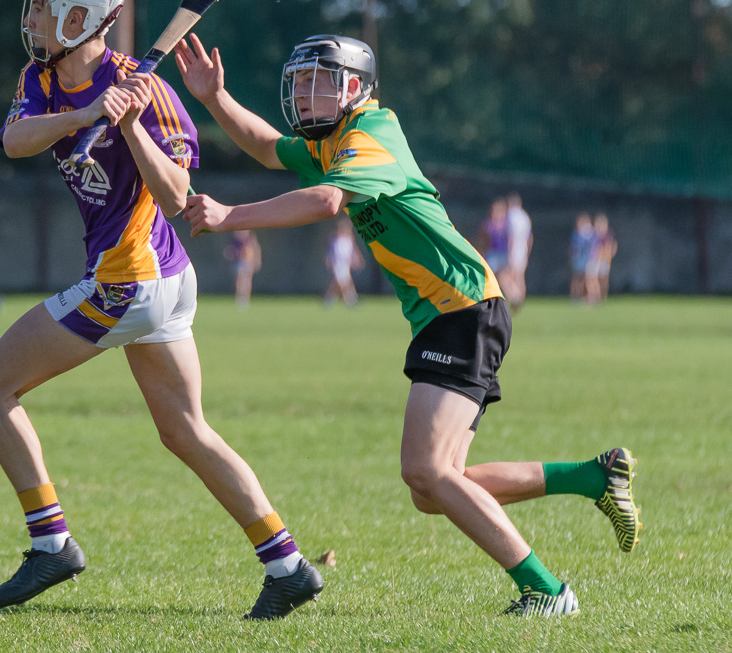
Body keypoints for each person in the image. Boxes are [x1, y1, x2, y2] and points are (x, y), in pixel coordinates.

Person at [175, 32, 641, 618]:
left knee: (425, 470)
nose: (304, 95)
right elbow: (269, 148)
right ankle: (592, 479)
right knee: (433, 488)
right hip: (449, 316)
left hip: (462, 312)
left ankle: (548, 591)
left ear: (355, 88)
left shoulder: (370, 134)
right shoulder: (333, 140)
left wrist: (229, 216)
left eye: (318, 82)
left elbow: (323, 202)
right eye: (300, 84)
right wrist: (216, 98)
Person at [0, 0, 322, 620]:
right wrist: (86, 112)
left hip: (132, 278)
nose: (32, 20)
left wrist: (128, 127)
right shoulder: (40, 78)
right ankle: (288, 566)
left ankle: (52, 544)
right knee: (186, 431)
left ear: (78, 19)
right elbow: (14, 141)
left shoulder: (147, 91)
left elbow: (180, 197)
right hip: (148, 280)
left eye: (43, 9)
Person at [324, 218, 362, 308]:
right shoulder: (334, 238)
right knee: (342, 282)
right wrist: (329, 260)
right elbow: (331, 251)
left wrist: (356, 260)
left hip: (346, 264)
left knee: (342, 282)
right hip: (338, 263)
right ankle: (350, 299)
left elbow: (352, 251)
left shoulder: (349, 239)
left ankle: (330, 299)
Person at [504, 194, 533, 313]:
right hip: (523, 249)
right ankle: (520, 298)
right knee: (520, 276)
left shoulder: (511, 215)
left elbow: (511, 236)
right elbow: (529, 237)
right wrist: (527, 252)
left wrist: (509, 251)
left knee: (509, 275)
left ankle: (515, 298)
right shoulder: (525, 216)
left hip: (514, 249)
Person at [479, 198, 510, 296]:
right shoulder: (488, 224)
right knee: (494, 278)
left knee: (498, 278)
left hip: (501, 255)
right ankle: (513, 297)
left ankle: (514, 296)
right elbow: (483, 241)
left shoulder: (506, 225)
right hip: (492, 254)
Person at [224, 230, 261, 310]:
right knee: (239, 281)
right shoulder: (235, 241)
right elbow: (230, 251)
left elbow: (256, 251)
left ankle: (246, 297)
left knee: (247, 281)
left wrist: (257, 262)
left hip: (247, 262)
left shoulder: (250, 240)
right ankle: (239, 298)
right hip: (238, 262)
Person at [587, 213, 617, 303]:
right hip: (594, 259)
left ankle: (601, 297)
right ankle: (594, 297)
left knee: (602, 280)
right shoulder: (593, 235)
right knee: (591, 279)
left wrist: (608, 256)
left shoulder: (607, 236)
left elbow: (610, 247)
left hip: (602, 260)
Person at [569, 213, 593, 303]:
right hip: (578, 259)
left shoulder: (589, 235)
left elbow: (592, 247)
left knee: (589, 279)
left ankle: (591, 297)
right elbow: (572, 248)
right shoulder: (576, 235)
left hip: (588, 259)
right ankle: (575, 297)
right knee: (576, 278)